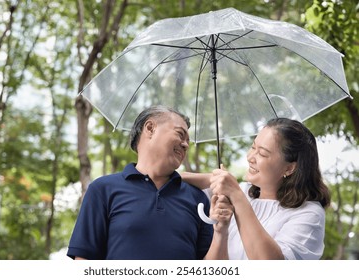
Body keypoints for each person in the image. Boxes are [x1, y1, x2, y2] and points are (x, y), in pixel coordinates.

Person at [67, 105, 233, 260]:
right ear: (150, 128)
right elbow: (84, 261)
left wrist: (221, 230)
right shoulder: (103, 189)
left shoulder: (198, 198)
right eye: (180, 134)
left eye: (187, 141)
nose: (185, 145)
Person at [181, 117, 331, 260]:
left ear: (289, 168)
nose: (250, 157)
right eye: (253, 147)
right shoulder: (245, 191)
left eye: (262, 154)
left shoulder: (309, 214)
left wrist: (237, 196)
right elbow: (205, 181)